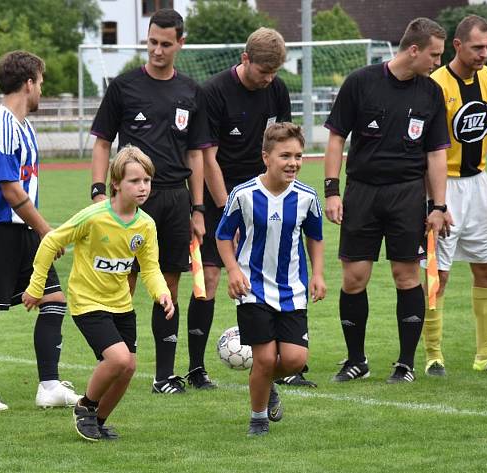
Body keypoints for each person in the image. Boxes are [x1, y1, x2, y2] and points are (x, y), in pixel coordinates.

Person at [323, 18, 451, 384]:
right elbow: (335, 139)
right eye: (434, 54)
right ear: (414, 49)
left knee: (406, 275)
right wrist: (332, 191)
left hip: (407, 193)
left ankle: (405, 364)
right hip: (361, 191)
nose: (437, 63)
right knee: (354, 277)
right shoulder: (360, 82)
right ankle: (355, 360)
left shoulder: (430, 93)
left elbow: (436, 155)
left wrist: (438, 206)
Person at [89, 9, 209, 394]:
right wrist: (97, 190)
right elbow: (103, 142)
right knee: (119, 284)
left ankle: (164, 376)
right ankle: (113, 365)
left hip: (176, 199)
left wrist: (198, 208)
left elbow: (196, 155)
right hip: (130, 202)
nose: (157, 50)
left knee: (167, 287)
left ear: (180, 44)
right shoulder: (124, 87)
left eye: (165, 44)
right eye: (152, 42)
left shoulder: (192, 92)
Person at [23, 146, 174, 441]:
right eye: (134, 181)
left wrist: (162, 293)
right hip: (87, 302)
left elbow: (150, 268)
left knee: (128, 367)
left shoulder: (146, 225)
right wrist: (35, 286)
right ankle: (85, 407)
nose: (142, 187)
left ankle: (98, 421)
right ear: (116, 183)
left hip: (121, 304)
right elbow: (51, 241)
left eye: (147, 180)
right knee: (118, 359)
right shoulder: (94, 217)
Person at [0, 51, 79, 411]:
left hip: (24, 231)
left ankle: (49, 386)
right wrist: (47, 231)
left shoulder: (24, 126)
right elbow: (11, 191)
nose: (42, 90)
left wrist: (38, 230)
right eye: (41, 82)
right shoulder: (2, 127)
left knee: (54, 302)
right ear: (29, 83)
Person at [197, 27, 313, 389]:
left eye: (274, 73)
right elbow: (208, 157)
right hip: (226, 196)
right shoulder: (214, 92)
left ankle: (283, 368)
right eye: (264, 72)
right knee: (212, 278)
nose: (269, 80)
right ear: (245, 59)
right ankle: (196, 369)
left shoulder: (275, 89)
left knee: (279, 268)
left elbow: (284, 142)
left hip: (270, 195)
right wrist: (231, 208)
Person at [216, 123, 325, 436]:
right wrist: (233, 271)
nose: (293, 162)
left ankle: (265, 383)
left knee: (294, 360)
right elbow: (223, 236)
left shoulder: (307, 196)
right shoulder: (244, 194)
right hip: (253, 288)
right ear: (266, 157)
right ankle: (258, 418)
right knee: (264, 358)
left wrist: (317, 273)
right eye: (285, 155)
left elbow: (315, 237)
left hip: (293, 290)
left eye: (299, 156)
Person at [423, 15, 487, 377]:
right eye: (477, 47)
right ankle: (432, 355)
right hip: (445, 187)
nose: (484, 54)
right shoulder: (435, 84)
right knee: (436, 276)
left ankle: (485, 355)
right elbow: (429, 149)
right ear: (457, 46)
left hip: (478, 184)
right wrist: (435, 202)